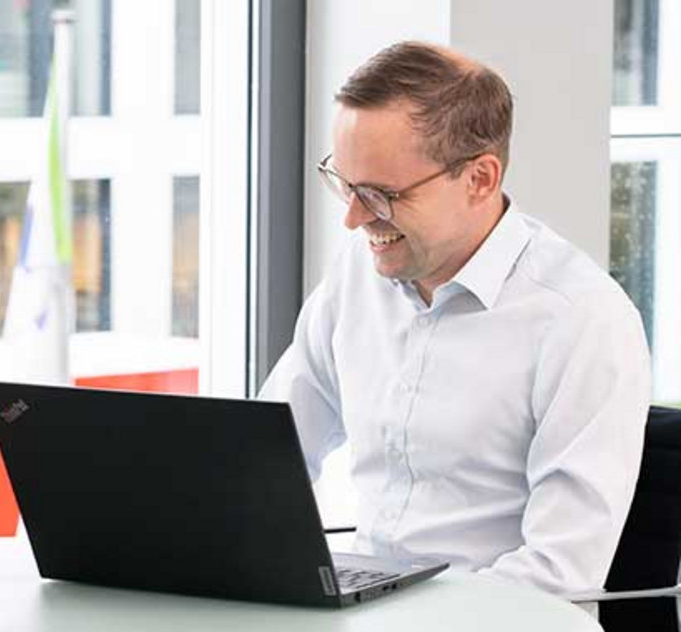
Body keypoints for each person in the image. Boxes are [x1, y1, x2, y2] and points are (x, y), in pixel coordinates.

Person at [259, 41, 651, 599]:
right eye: (344, 184)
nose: (352, 218)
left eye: (380, 194)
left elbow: (560, 570)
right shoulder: (357, 275)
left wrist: (403, 617)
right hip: (371, 610)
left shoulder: (581, 319)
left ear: (480, 179)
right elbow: (273, 451)